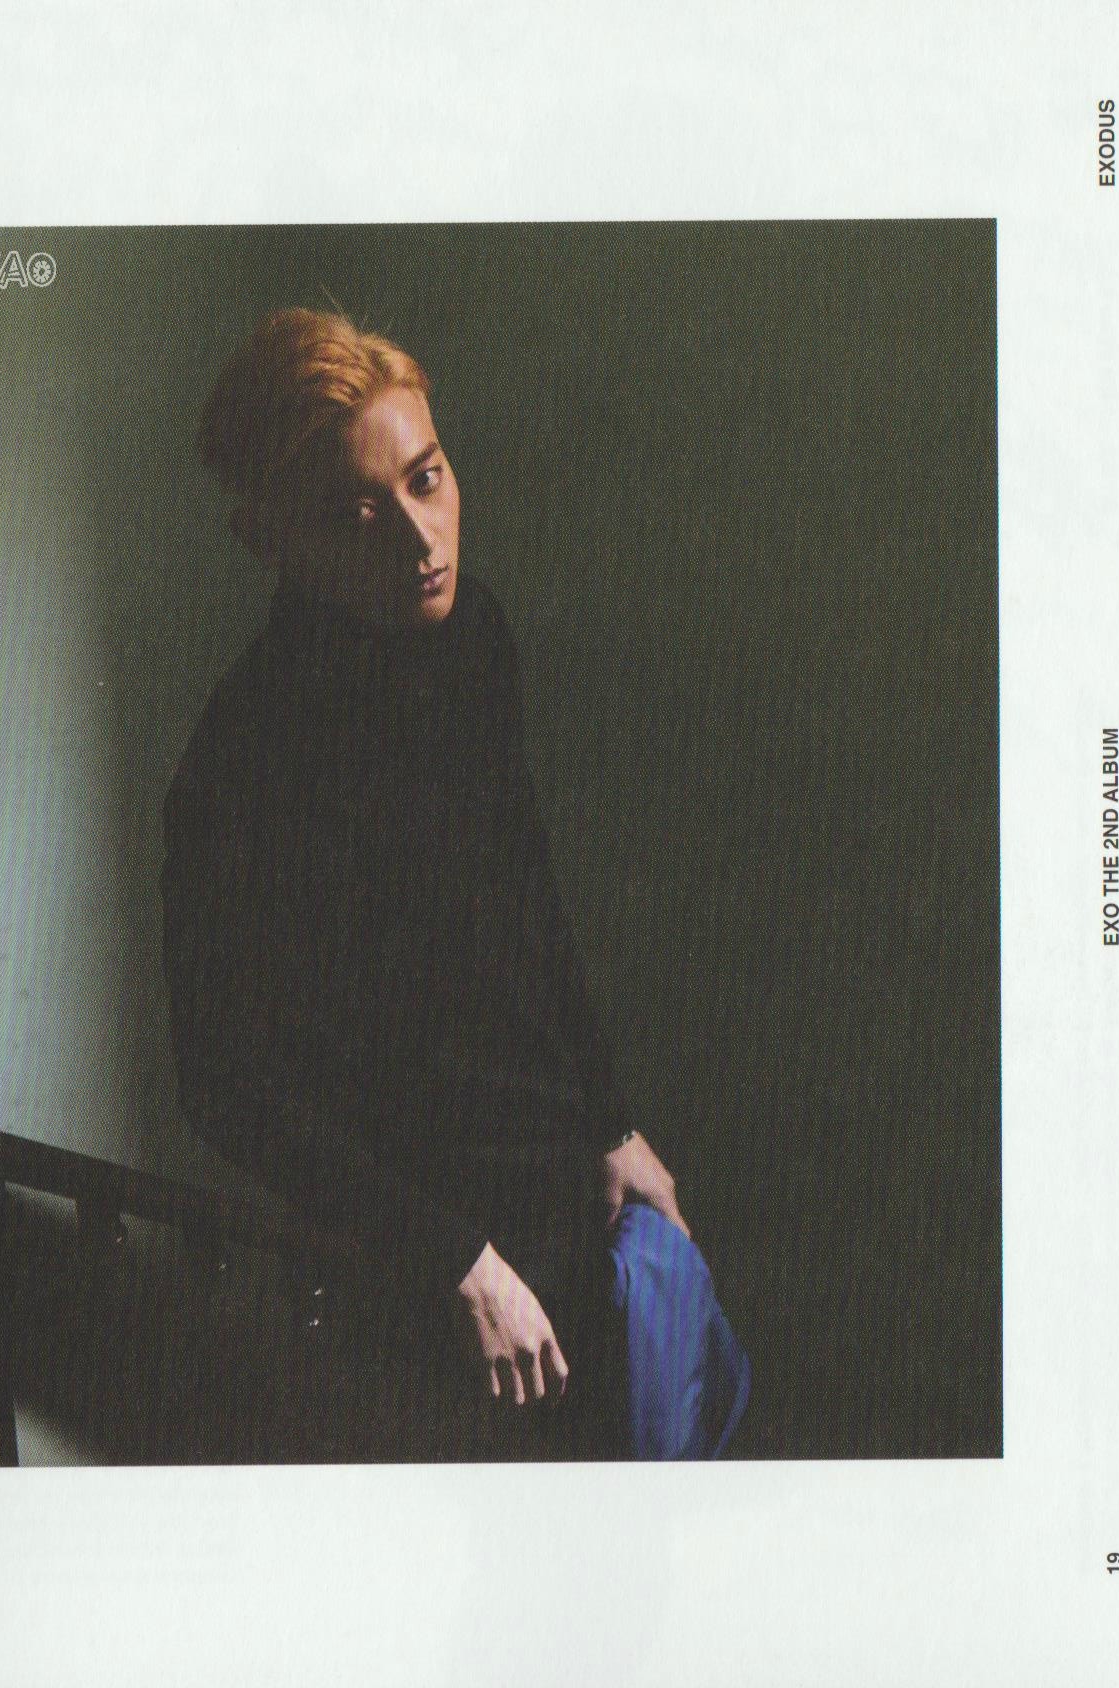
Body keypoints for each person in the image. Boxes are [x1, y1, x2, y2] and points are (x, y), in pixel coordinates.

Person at [162, 307, 748, 1458]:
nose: (419, 538)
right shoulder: (241, 760)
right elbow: (221, 1082)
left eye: (426, 479)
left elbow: (523, 897)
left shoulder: (469, 634)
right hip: (418, 1266)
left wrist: (609, 1120)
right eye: (354, 514)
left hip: (560, 1195)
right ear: (266, 538)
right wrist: (457, 1262)